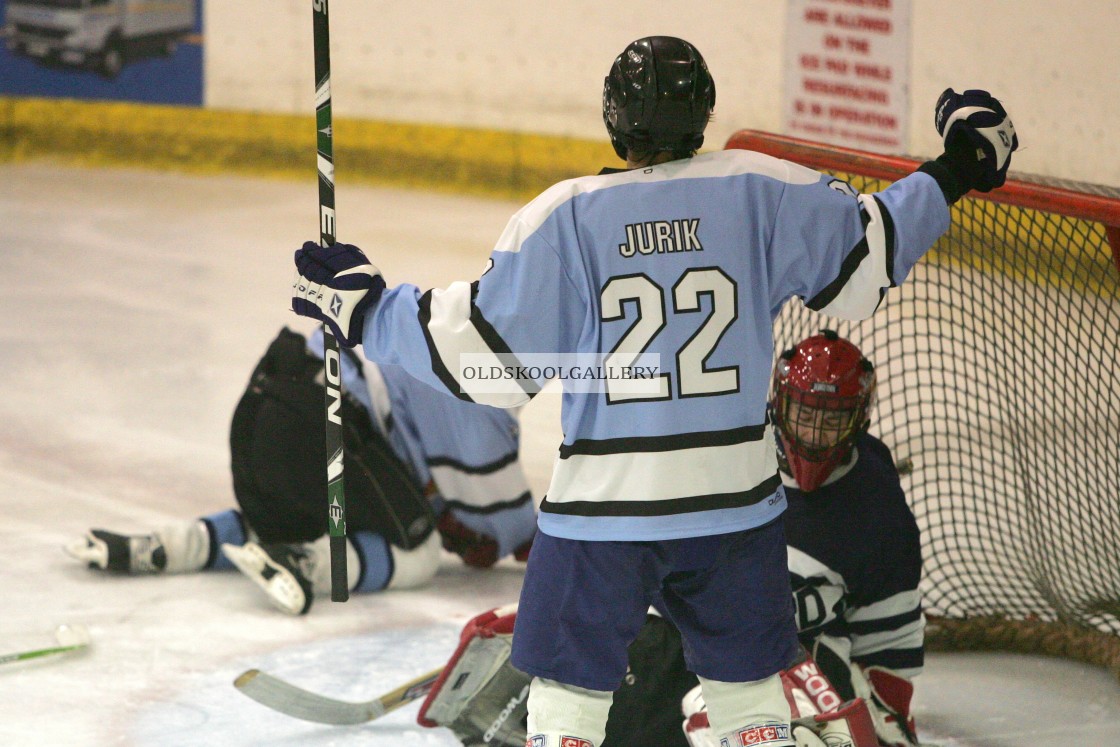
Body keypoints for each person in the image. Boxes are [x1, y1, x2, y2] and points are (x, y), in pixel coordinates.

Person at [289, 34, 1016, 747]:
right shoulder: (763, 188)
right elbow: (874, 249)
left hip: (602, 511)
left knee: (570, 696)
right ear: (704, 115)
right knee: (749, 692)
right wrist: (958, 164)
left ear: (614, 121)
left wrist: (367, 310)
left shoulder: (563, 216)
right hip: (732, 506)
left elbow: (489, 363)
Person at [414, 331, 922, 747]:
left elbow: (888, 635)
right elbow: (654, 554)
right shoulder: (732, 443)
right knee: (613, 706)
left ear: (858, 419)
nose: (815, 434)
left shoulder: (872, 494)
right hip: (684, 641)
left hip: (792, 655)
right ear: (779, 404)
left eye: (831, 421)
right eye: (805, 415)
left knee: (747, 724)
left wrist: (885, 712)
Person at [64, 326, 537, 615]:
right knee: (418, 550)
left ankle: (168, 545)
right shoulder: (484, 390)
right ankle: (303, 565)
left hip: (265, 404)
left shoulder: (436, 328)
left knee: (317, 519)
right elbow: (494, 525)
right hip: (318, 420)